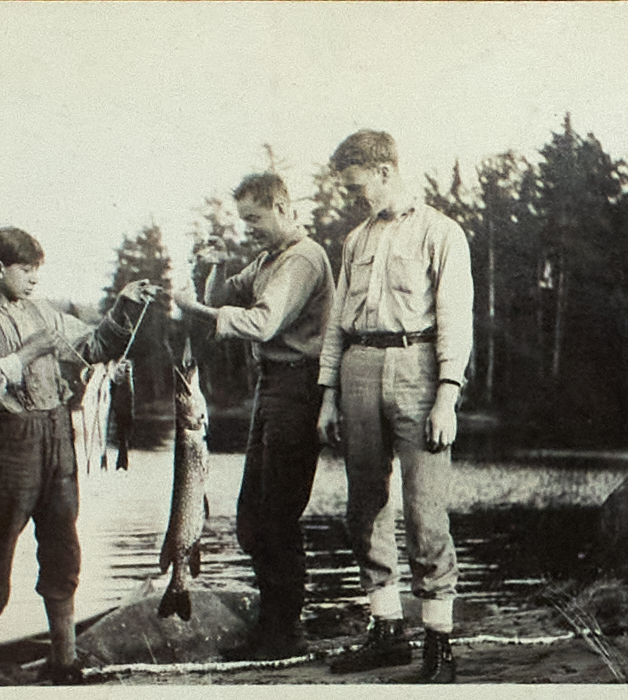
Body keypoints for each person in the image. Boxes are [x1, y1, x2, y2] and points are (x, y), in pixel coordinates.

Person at [0, 226, 160, 685]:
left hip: (59, 434)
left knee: (63, 546)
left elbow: (96, 345)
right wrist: (26, 355)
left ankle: (64, 660)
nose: (34, 280)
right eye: (26, 271)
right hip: (12, 438)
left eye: (37, 271)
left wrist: (124, 304)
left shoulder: (44, 312)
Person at [316, 130, 473, 683]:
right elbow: (337, 325)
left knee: (427, 512)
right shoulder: (355, 241)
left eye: (357, 186)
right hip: (359, 366)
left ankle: (438, 642)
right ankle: (385, 629)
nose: (354, 198)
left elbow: (457, 318)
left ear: (384, 171)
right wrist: (329, 395)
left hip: (419, 368)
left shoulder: (442, 232)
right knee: (364, 505)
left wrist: (447, 396)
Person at [173, 172, 334, 660]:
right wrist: (216, 269)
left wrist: (190, 307)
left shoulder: (303, 259)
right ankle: (274, 623)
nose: (249, 230)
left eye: (255, 219)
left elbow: (261, 323)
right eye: (244, 221)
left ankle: (283, 632)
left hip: (299, 387)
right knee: (252, 515)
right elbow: (225, 300)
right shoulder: (268, 259)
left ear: (283, 206)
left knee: (277, 513)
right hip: (272, 388)